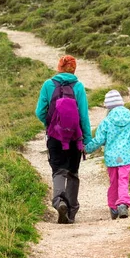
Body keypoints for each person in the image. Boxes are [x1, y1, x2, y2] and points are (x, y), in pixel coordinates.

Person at [35, 55, 92, 224]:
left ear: (59, 68)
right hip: (75, 137)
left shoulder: (48, 84)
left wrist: (51, 124)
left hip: (54, 136)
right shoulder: (79, 86)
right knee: (72, 173)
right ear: (74, 69)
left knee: (58, 170)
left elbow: (40, 111)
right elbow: (83, 116)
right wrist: (86, 139)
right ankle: (72, 210)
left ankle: (59, 201)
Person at [84, 89, 130, 219]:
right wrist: (129, 140)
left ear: (107, 107)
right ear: (121, 103)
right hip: (126, 156)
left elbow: (99, 140)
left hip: (111, 158)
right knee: (123, 180)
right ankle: (123, 203)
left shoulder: (106, 122)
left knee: (114, 182)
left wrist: (87, 148)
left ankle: (113, 207)